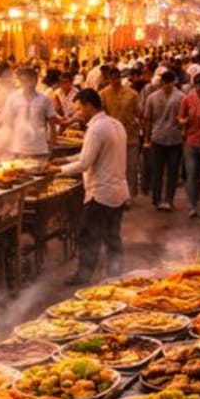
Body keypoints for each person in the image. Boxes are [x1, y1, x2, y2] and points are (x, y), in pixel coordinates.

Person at [54, 88, 129, 285]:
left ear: (89, 105)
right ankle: (116, 274)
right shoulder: (115, 124)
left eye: (80, 109)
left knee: (89, 237)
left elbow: (85, 163)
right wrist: (64, 160)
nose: (79, 113)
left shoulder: (96, 129)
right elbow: (90, 155)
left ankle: (83, 275)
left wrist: (57, 171)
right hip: (118, 190)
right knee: (112, 236)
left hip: (101, 192)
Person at [0, 66, 56, 162]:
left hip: (39, 150)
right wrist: (1, 145)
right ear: (20, 82)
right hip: (18, 149)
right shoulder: (12, 98)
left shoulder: (45, 100)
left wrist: (52, 146)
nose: (27, 84)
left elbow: (52, 124)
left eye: (30, 81)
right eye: (23, 81)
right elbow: (8, 124)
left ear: (36, 81)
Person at [142, 69, 184, 211]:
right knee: (158, 171)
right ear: (162, 83)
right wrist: (147, 138)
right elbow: (147, 119)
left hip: (174, 139)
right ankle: (158, 199)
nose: (167, 86)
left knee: (172, 171)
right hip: (158, 138)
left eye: (169, 83)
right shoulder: (152, 98)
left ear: (173, 82)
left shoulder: (180, 97)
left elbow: (183, 117)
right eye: (165, 83)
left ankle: (168, 200)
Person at [100, 67, 141, 202]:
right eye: (111, 79)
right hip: (111, 138)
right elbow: (101, 114)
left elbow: (139, 113)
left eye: (117, 78)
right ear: (108, 79)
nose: (114, 81)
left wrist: (136, 124)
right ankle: (116, 195)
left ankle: (128, 196)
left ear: (120, 78)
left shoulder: (132, 94)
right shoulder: (104, 94)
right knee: (114, 169)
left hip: (130, 136)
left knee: (130, 167)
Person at [178, 71, 200, 217]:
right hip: (191, 142)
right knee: (192, 175)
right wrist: (183, 121)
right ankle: (192, 205)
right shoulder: (187, 99)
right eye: (198, 84)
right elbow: (180, 117)